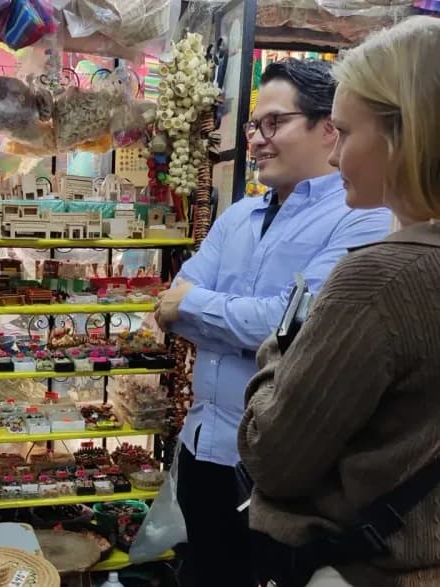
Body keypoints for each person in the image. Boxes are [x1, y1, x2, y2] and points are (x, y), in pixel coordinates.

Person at [153, 59, 392, 586]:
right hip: (201, 448)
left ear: (327, 128)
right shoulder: (239, 214)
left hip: (278, 471)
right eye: (253, 126)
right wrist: (235, 321)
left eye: (273, 123)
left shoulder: (363, 217)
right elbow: (171, 305)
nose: (258, 140)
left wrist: (199, 308)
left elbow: (300, 330)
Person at [238, 16, 440, 587]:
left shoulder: (381, 275)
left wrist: (280, 351)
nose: (333, 157)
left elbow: (271, 457)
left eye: (346, 134)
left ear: (404, 133)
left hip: (369, 567)